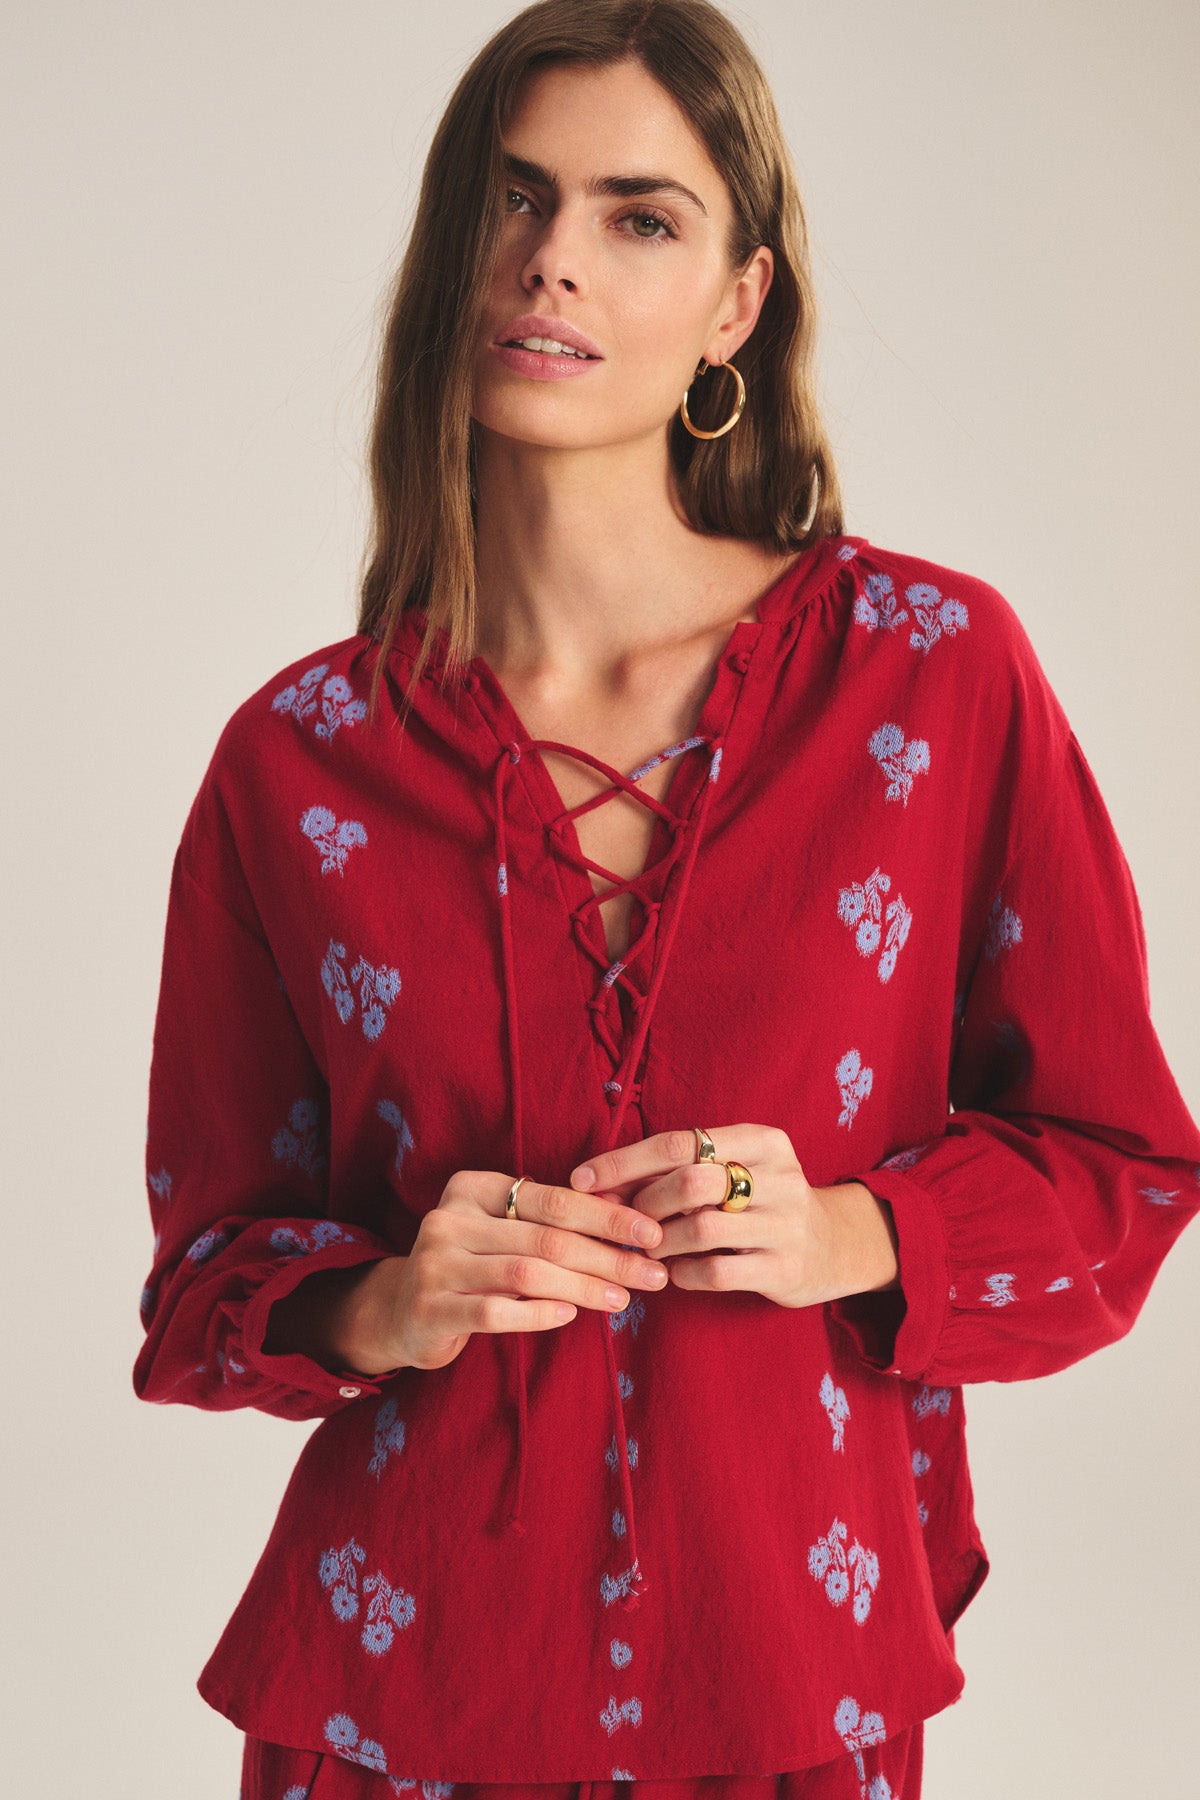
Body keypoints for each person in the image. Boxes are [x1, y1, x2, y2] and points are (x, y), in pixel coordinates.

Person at [133, 3, 1200, 1797]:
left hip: (785, 1682)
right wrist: (385, 1302)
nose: (552, 262)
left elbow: (1120, 1163)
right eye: (514, 197)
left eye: (641, 217)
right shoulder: (297, 762)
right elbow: (202, 1281)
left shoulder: (933, 679)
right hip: (396, 1711)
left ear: (735, 305)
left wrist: (857, 1234)